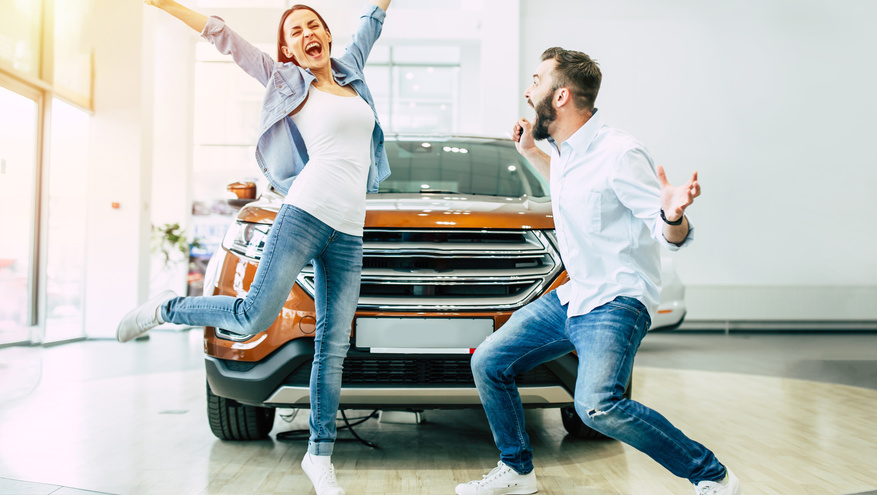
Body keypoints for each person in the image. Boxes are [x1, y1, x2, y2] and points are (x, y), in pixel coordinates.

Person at [118, 1, 392, 493]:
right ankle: (167, 308)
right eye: (295, 31)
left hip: (350, 228)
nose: (307, 34)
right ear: (287, 48)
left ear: (326, 37)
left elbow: (373, 20)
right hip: (304, 212)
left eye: (314, 25)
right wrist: (167, 6)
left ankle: (319, 454)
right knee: (251, 315)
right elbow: (225, 38)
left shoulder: (351, 73)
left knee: (333, 345)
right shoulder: (284, 80)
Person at [455, 48, 742, 495]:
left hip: (617, 299)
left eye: (536, 80)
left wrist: (671, 215)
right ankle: (517, 470)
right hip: (575, 295)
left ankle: (712, 476)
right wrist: (529, 150)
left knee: (598, 407)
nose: (528, 91)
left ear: (562, 95)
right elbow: (570, 181)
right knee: (489, 361)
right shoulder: (568, 152)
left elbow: (671, 234)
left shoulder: (620, 153)